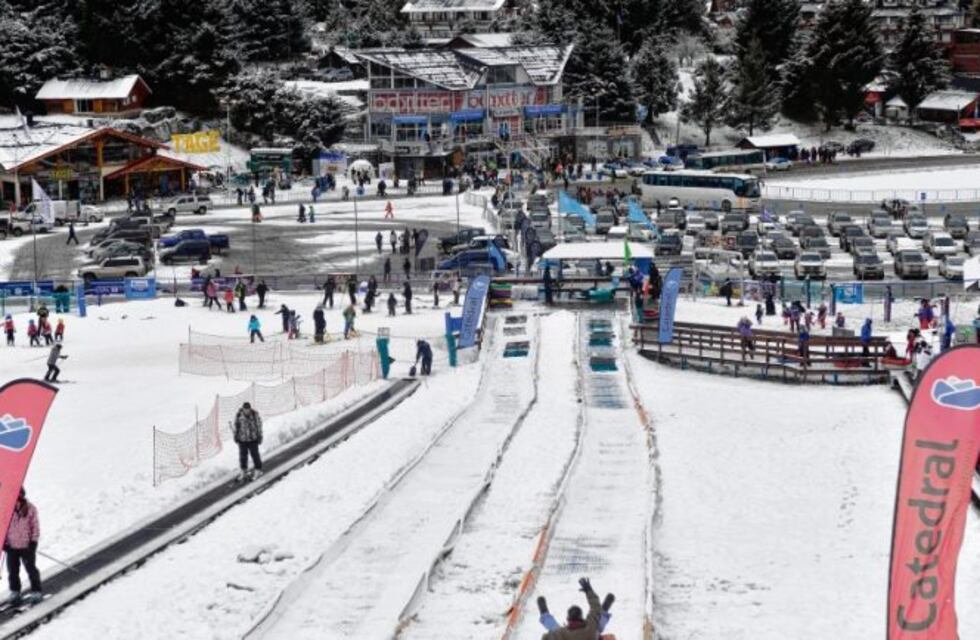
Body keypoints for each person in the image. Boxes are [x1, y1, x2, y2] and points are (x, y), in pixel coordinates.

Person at [4, 487, 42, 604]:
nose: (17, 497)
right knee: (12, 571)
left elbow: (35, 527)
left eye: (19, 494)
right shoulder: (7, 508)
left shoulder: (30, 508)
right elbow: (3, 526)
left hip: (26, 547)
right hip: (12, 547)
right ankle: (15, 591)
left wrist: (33, 543)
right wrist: (4, 543)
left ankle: (36, 591)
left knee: (31, 569)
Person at [538, 577, 604, 640]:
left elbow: (545, 637)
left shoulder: (560, 633)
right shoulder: (590, 628)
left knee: (553, 627)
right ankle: (607, 605)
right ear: (581, 617)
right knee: (598, 624)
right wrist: (589, 591)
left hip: (559, 634)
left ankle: (544, 612)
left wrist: (550, 635)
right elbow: (596, 608)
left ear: (568, 618)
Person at [233, 402, 263, 482]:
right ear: (243, 409)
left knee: (255, 455)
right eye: (245, 410)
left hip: (253, 439)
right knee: (243, 456)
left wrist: (259, 435)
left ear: (250, 409)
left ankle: (258, 470)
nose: (247, 411)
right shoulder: (239, 415)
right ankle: (244, 470)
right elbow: (236, 426)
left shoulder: (254, 415)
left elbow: (259, 426)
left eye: (248, 409)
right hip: (242, 439)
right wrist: (236, 436)